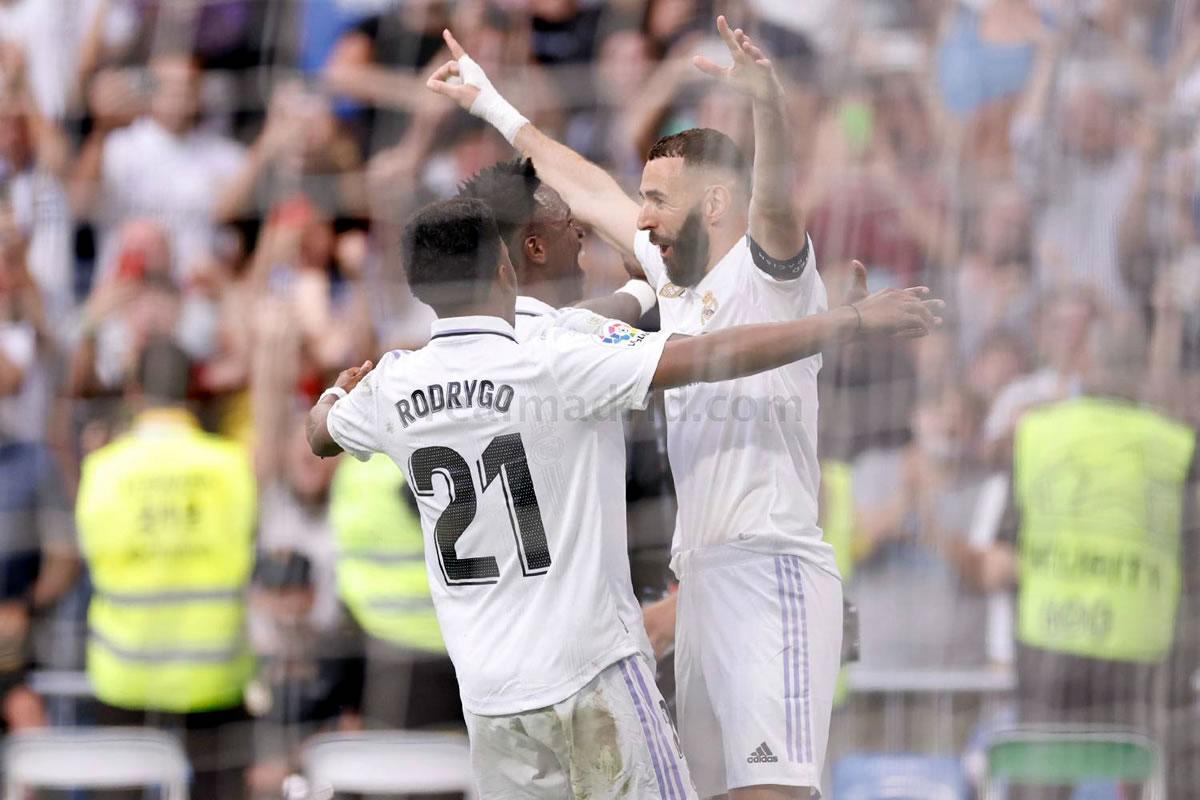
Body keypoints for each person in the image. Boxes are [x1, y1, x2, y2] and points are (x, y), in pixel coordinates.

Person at [305, 197, 939, 798]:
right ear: (504, 267)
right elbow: (713, 353)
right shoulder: (555, 361)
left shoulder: (393, 384)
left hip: (491, 696)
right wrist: (847, 321)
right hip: (591, 673)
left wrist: (336, 392)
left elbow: (318, 435)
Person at [425, 17, 855, 797]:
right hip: (699, 576)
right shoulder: (673, 281)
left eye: (657, 199)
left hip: (771, 566)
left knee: (773, 792)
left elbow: (781, 204)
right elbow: (584, 185)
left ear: (717, 202)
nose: (641, 216)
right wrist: (489, 100)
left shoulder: (774, 278)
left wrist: (768, 107)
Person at [968, 322, 1199, 799]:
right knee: (1165, 773)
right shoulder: (1177, 446)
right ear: (1143, 377)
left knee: (1042, 784)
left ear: (1085, 366)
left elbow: (1000, 562)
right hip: (1145, 661)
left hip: (1051, 651)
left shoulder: (1037, 436)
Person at [75, 337, 257, 799]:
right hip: (214, 674)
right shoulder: (230, 465)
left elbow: (90, 553)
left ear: (133, 391)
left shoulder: (104, 469)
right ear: (193, 391)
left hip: (127, 674)